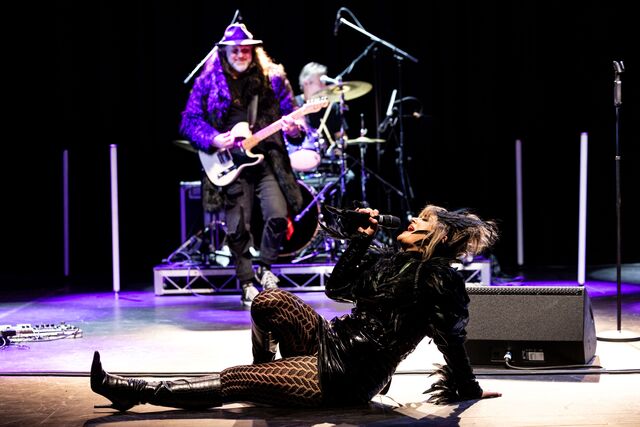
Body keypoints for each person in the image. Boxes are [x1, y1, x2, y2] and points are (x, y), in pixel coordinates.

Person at [90, 203, 502, 410]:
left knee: (234, 379)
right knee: (268, 301)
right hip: (330, 340)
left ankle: (134, 392)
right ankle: (266, 374)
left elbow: (452, 340)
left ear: (439, 238)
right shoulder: (390, 260)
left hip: (349, 375)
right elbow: (338, 289)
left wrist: (469, 389)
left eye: (423, 222)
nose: (412, 220)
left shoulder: (439, 280)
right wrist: (360, 240)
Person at [180, 23, 307, 306]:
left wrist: (294, 129)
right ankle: (247, 282)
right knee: (238, 226)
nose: (240, 54)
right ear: (224, 52)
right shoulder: (208, 82)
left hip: (267, 160)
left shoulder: (273, 79)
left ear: (253, 51)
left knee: (278, 215)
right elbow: (189, 121)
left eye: (245, 50)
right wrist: (214, 138)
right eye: (234, 50)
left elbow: (293, 121)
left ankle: (266, 267)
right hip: (229, 164)